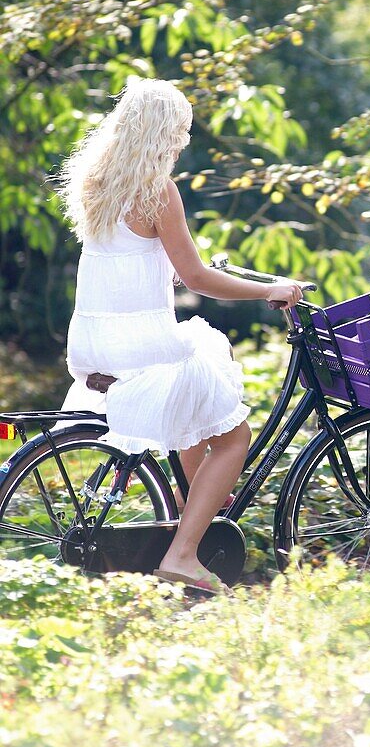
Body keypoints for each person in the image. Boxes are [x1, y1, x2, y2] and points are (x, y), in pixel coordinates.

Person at [58, 78, 302, 594]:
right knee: (233, 437)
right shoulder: (157, 192)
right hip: (143, 346)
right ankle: (184, 554)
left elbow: (127, 264)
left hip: (92, 345)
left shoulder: (95, 184)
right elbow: (197, 280)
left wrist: (165, 269)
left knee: (196, 408)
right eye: (181, 132)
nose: (184, 143)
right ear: (161, 133)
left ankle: (197, 507)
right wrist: (270, 290)